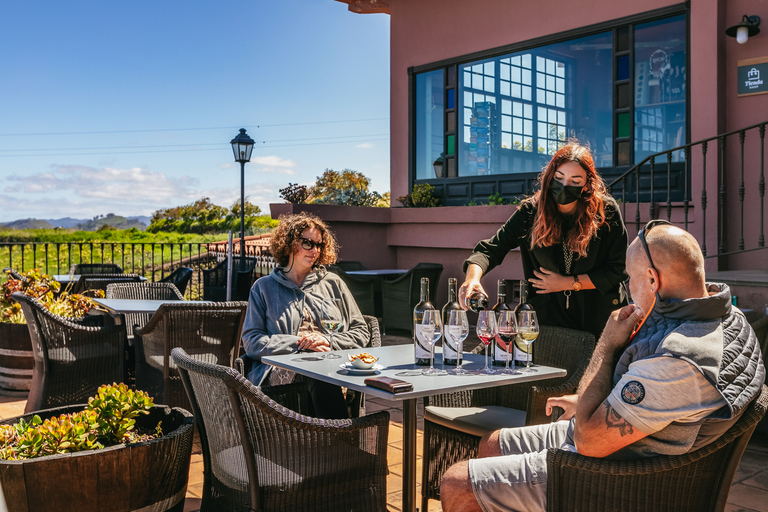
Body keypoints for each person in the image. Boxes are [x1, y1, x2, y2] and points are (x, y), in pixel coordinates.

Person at [440, 221, 765, 512]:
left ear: (652, 280)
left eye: (630, 278)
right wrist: (592, 400)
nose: (627, 289)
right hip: (638, 437)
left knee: (457, 482)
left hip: (619, 477)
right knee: (493, 442)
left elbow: (588, 441)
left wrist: (607, 344)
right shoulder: (729, 318)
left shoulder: (679, 359)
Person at [460, 142, 627, 341]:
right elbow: (491, 249)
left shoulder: (606, 211)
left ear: (587, 184)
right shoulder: (531, 211)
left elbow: (617, 270)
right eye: (559, 177)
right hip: (549, 316)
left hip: (599, 315)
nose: (565, 186)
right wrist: (472, 278)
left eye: (575, 180)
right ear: (550, 176)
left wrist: (567, 283)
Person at [241, 212, 369, 419]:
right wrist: (300, 342)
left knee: (321, 370)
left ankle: (330, 440)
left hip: (331, 362)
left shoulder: (333, 283)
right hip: (281, 369)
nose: (315, 250)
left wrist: (327, 339)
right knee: (316, 370)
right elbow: (252, 342)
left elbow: (362, 331)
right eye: (308, 243)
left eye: (318, 244)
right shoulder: (263, 288)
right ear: (290, 243)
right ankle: (340, 437)